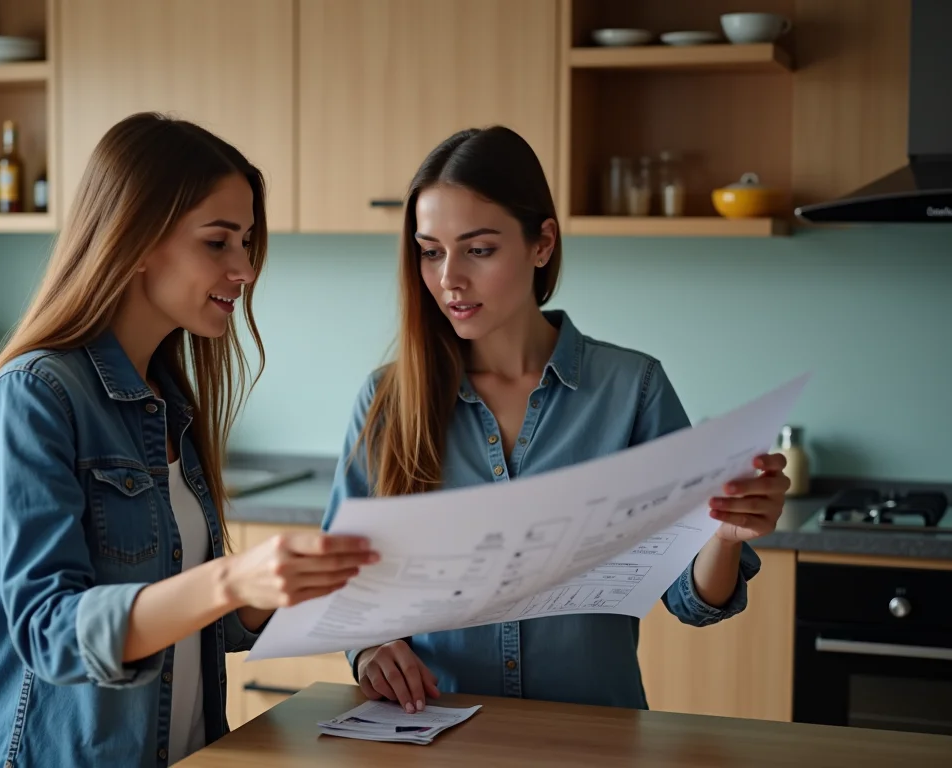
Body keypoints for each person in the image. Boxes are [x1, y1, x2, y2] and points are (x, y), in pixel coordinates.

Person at [0, 112, 378, 767]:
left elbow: (187, 620)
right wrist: (232, 578)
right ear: (138, 240)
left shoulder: (168, 404)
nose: (246, 268)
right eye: (218, 242)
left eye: (248, 242)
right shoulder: (36, 395)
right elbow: (52, 633)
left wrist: (285, 587)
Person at [322, 125, 789, 713]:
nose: (449, 280)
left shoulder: (631, 390)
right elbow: (344, 583)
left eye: (479, 249)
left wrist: (723, 534)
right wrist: (370, 650)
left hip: (593, 740)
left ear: (542, 244)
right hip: (437, 737)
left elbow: (692, 601)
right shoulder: (388, 400)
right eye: (431, 251)